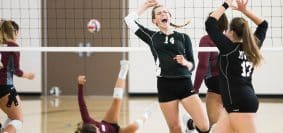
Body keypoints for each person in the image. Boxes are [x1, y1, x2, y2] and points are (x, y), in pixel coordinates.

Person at [124, 0, 210, 132]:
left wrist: (185, 62)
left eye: (165, 12)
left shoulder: (183, 37)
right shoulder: (151, 36)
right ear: (155, 21)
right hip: (165, 85)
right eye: (159, 13)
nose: (163, 14)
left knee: (204, 126)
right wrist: (145, 7)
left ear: (169, 16)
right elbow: (129, 20)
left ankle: (190, 125)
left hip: (185, 83)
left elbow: (192, 66)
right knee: (175, 128)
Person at [205, 0, 268, 132]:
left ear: (232, 32)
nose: (226, 33)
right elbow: (263, 25)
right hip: (235, 103)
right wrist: (244, 11)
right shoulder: (252, 47)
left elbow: (210, 23)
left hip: (240, 103)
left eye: (227, 30)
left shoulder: (228, 48)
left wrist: (226, 4)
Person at [76, 60, 154, 133]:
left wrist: (80, 85)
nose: (99, 131)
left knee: (117, 100)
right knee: (133, 127)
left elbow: (82, 105)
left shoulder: (87, 121)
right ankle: (147, 114)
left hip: (109, 122)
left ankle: (124, 69)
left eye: (98, 130)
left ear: (92, 126)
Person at [193, 13, 228, 125]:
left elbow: (202, 66)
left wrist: (195, 90)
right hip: (235, 85)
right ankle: (191, 124)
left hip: (216, 85)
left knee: (215, 126)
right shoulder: (230, 38)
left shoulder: (206, 40)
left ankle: (191, 125)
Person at [0, 20, 35, 133]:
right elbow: (16, 70)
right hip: (5, 87)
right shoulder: (13, 46)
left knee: (11, 118)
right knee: (18, 120)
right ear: (14, 32)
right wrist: (28, 75)